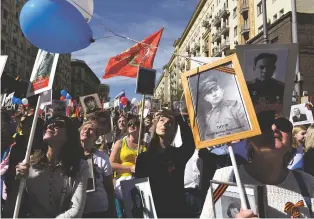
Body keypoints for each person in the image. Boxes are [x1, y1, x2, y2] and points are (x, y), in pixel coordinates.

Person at [200, 112, 314, 218]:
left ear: (290, 144)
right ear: (250, 141)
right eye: (264, 124)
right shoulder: (226, 178)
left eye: (283, 124)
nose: (274, 128)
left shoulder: (308, 184)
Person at [3, 116, 89, 218]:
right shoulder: (29, 162)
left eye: (58, 124)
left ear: (69, 135)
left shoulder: (80, 166)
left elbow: (76, 210)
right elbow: (13, 205)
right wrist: (18, 180)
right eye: (48, 123)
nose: (50, 125)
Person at [135, 110, 195, 218]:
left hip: (177, 211)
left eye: (170, 122)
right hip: (154, 212)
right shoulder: (143, 158)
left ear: (174, 130)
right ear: (155, 125)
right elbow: (139, 191)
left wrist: (177, 116)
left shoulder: (179, 155)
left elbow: (190, 142)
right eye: (161, 120)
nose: (165, 123)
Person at [79, 121, 116, 218]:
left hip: (99, 210)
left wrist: (113, 210)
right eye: (84, 128)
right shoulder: (71, 155)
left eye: (90, 129)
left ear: (95, 137)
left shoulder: (102, 157)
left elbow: (109, 187)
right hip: (78, 209)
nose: (86, 131)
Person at [109, 116, 146, 207]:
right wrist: (130, 168)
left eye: (135, 124)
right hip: (123, 181)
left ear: (141, 127)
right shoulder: (120, 143)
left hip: (140, 181)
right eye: (129, 124)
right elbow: (110, 164)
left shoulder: (145, 145)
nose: (132, 125)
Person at [200, 76, 250, 140]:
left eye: (216, 89)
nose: (214, 94)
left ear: (222, 90)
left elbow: (249, 130)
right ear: (206, 98)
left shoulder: (236, 107)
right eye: (209, 92)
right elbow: (208, 139)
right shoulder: (209, 117)